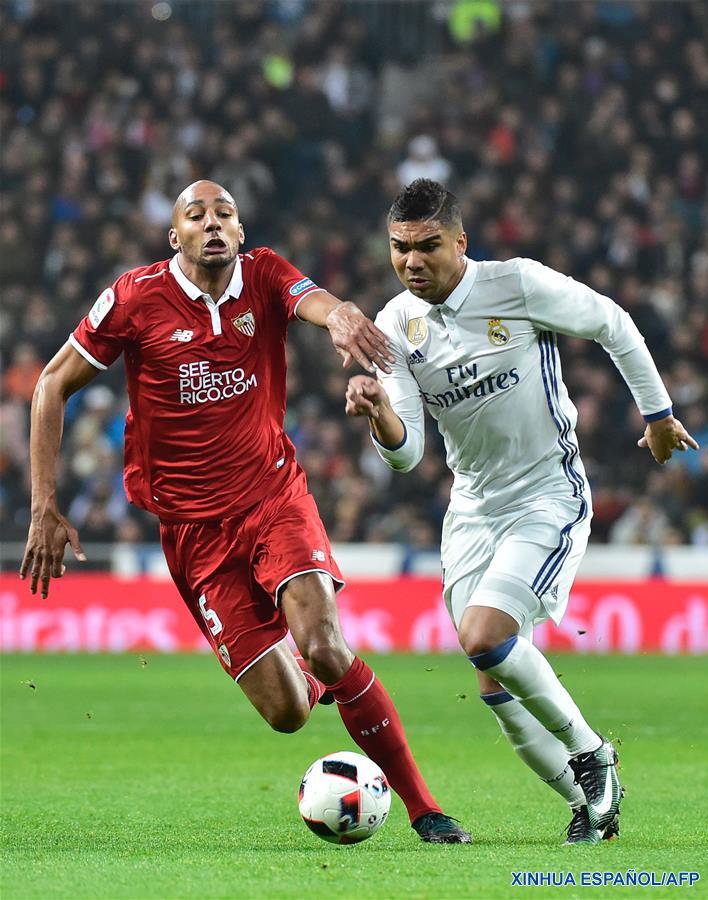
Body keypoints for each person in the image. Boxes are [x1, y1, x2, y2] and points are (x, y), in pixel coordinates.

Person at [20, 180, 471, 845]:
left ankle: (423, 809)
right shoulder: (135, 298)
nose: (211, 223)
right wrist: (44, 504)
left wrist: (342, 313)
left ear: (238, 230)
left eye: (224, 214)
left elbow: (313, 301)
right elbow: (52, 382)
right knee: (288, 712)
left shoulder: (263, 276)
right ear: (174, 236)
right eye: (195, 215)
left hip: (273, 499)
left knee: (322, 646)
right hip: (194, 535)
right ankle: (331, 681)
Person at [345, 178, 699, 845]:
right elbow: (407, 453)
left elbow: (612, 324)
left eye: (426, 247)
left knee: (485, 635)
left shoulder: (517, 285)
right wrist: (379, 414)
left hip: (546, 494)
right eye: (398, 249)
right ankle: (590, 805)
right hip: (472, 512)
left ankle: (593, 755)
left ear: (460, 242)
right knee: (494, 689)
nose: (411, 263)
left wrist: (656, 415)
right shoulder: (393, 325)